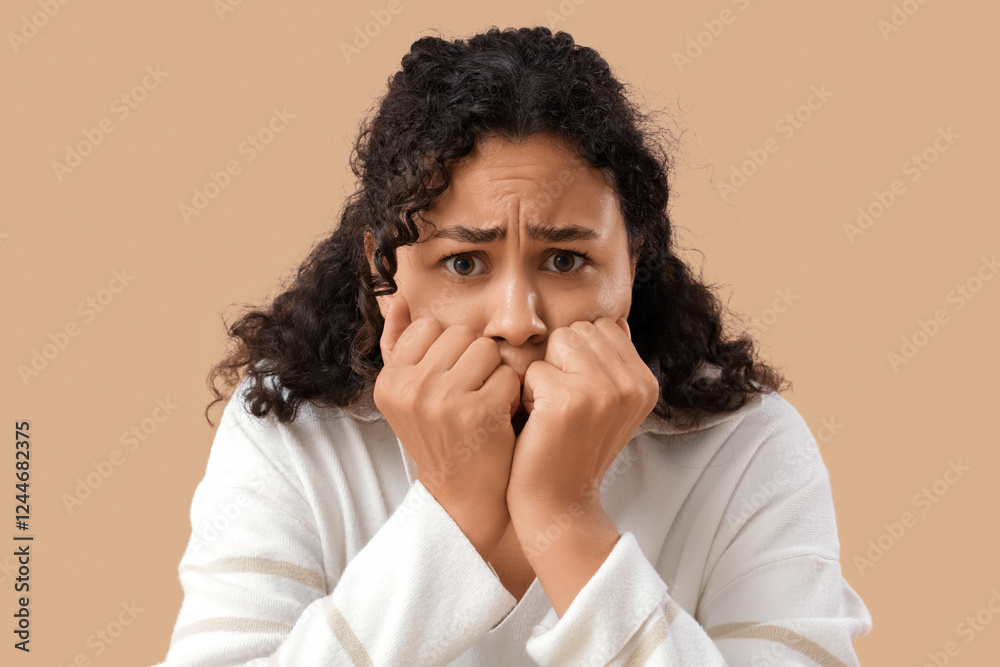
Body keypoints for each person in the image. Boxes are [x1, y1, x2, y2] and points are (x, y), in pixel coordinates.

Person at [154, 25, 872, 666]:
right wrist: (452, 519)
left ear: (633, 263)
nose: (518, 319)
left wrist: (565, 521)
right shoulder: (290, 435)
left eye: (564, 260)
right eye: (464, 263)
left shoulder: (750, 446)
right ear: (384, 271)